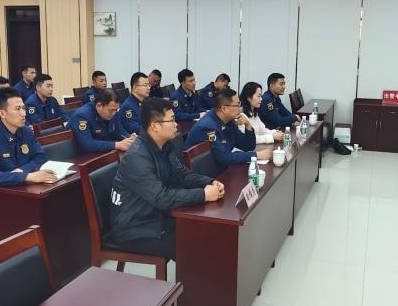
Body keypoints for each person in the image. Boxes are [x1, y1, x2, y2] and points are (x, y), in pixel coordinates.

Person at [106, 97, 223, 260]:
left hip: (157, 216)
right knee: (194, 247)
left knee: (208, 231)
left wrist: (209, 182)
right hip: (135, 228)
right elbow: (160, 198)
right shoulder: (137, 157)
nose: (176, 124)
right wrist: (203, 195)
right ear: (155, 126)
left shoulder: (165, 145)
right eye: (172, 120)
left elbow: (183, 175)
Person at [0, 87, 57, 231]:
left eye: (23, 108)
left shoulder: (25, 131)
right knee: (23, 226)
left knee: (49, 214)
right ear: (2, 113)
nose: (23, 113)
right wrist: (27, 176)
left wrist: (22, 171)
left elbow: (41, 156)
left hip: (19, 194)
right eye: (17, 109)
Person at [184, 88, 271, 176]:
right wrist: (256, 155)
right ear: (224, 109)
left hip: (220, 169)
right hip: (205, 176)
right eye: (237, 105)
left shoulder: (229, 121)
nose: (240, 109)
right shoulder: (208, 127)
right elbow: (224, 157)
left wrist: (248, 126)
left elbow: (247, 146)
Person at [68, 88, 134, 153]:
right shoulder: (82, 116)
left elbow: (119, 131)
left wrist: (130, 138)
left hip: (103, 152)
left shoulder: (113, 112)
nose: (113, 113)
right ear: (99, 106)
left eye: (116, 110)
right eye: (111, 110)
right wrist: (116, 145)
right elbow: (87, 144)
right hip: (82, 155)